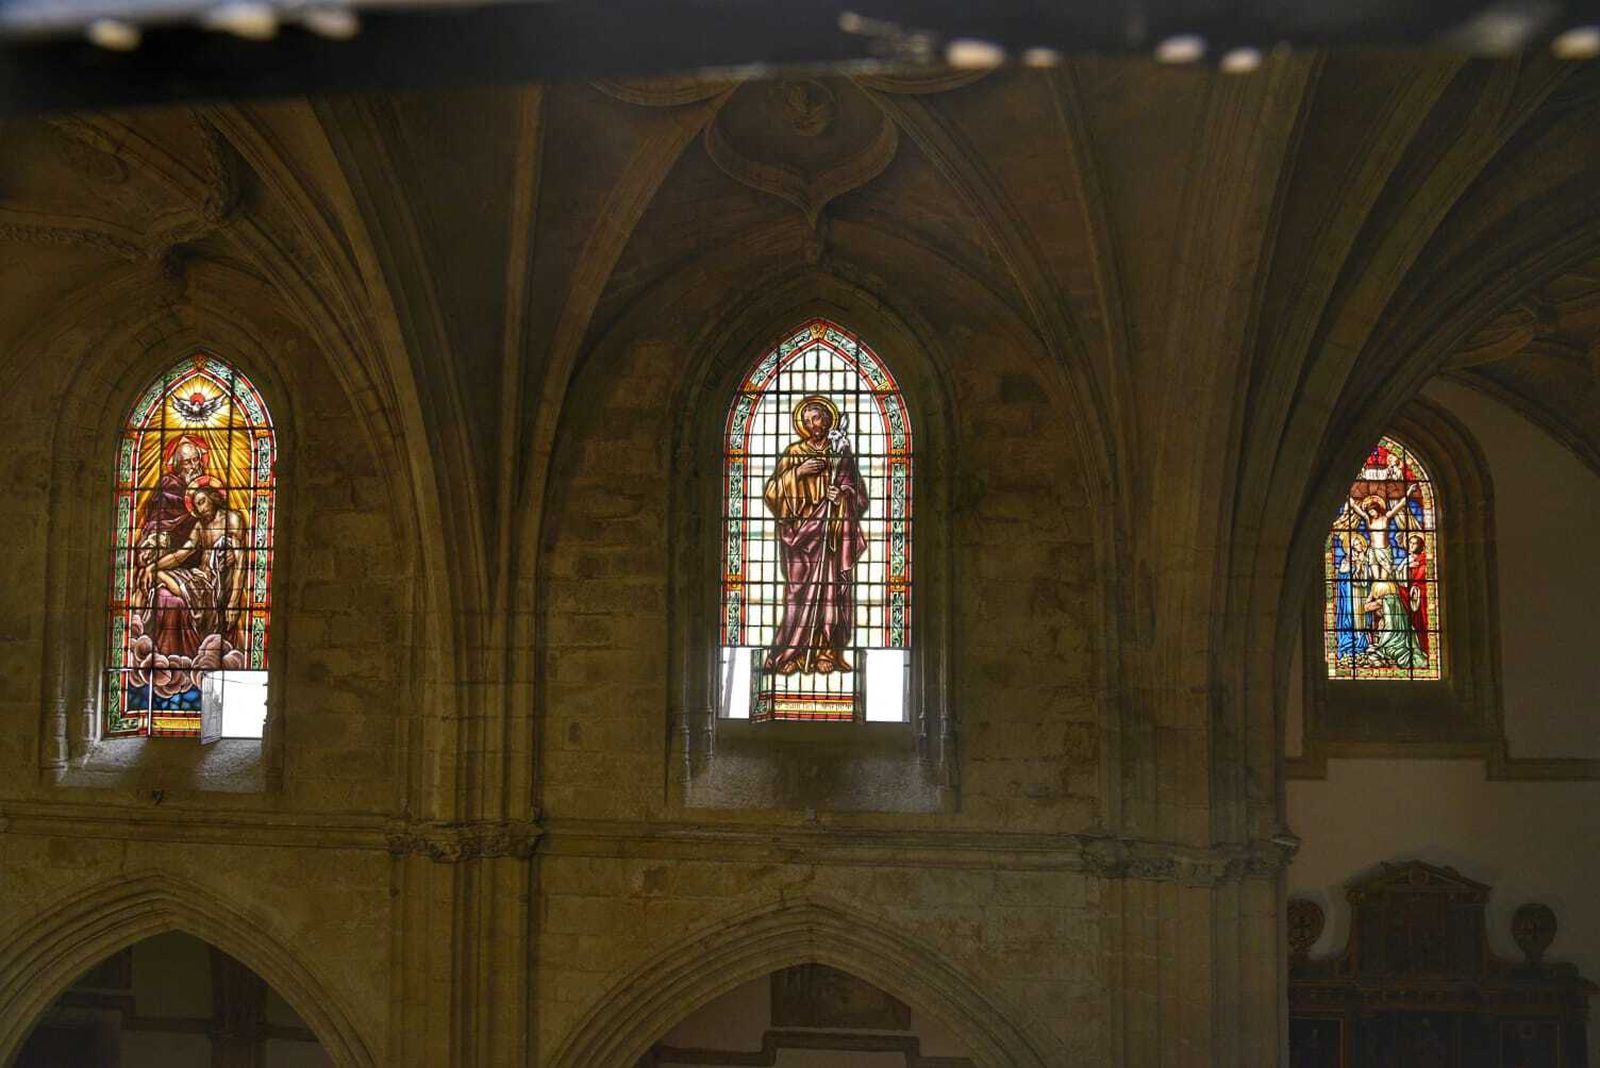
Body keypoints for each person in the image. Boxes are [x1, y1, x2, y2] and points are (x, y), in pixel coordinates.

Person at [761, 395, 867, 675]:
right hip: (800, 537)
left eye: (817, 418)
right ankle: (792, 653)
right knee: (797, 595)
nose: (812, 425)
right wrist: (798, 472)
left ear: (828, 419)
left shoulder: (840, 452)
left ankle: (826, 650)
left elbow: (860, 496)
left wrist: (841, 495)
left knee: (831, 591)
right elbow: (772, 493)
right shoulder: (794, 452)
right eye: (807, 421)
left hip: (831, 535)